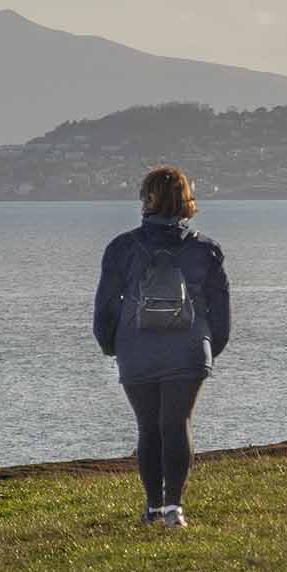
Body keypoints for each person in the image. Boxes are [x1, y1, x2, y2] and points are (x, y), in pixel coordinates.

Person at [92, 165, 231, 530]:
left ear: (146, 200)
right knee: (177, 424)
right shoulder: (206, 250)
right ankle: (175, 509)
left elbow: (105, 308)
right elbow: (221, 315)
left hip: (136, 349)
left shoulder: (121, 248)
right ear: (187, 202)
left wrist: (112, 346)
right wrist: (207, 350)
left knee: (148, 427)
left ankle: (153, 508)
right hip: (188, 350)